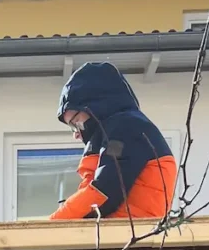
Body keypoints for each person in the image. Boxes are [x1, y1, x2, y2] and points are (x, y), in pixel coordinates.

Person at [50, 61, 177, 221]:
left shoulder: (125, 129)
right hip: (129, 232)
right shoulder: (123, 130)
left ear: (94, 107)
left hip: (128, 234)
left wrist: (53, 224)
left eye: (75, 123)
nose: (76, 134)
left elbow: (103, 192)